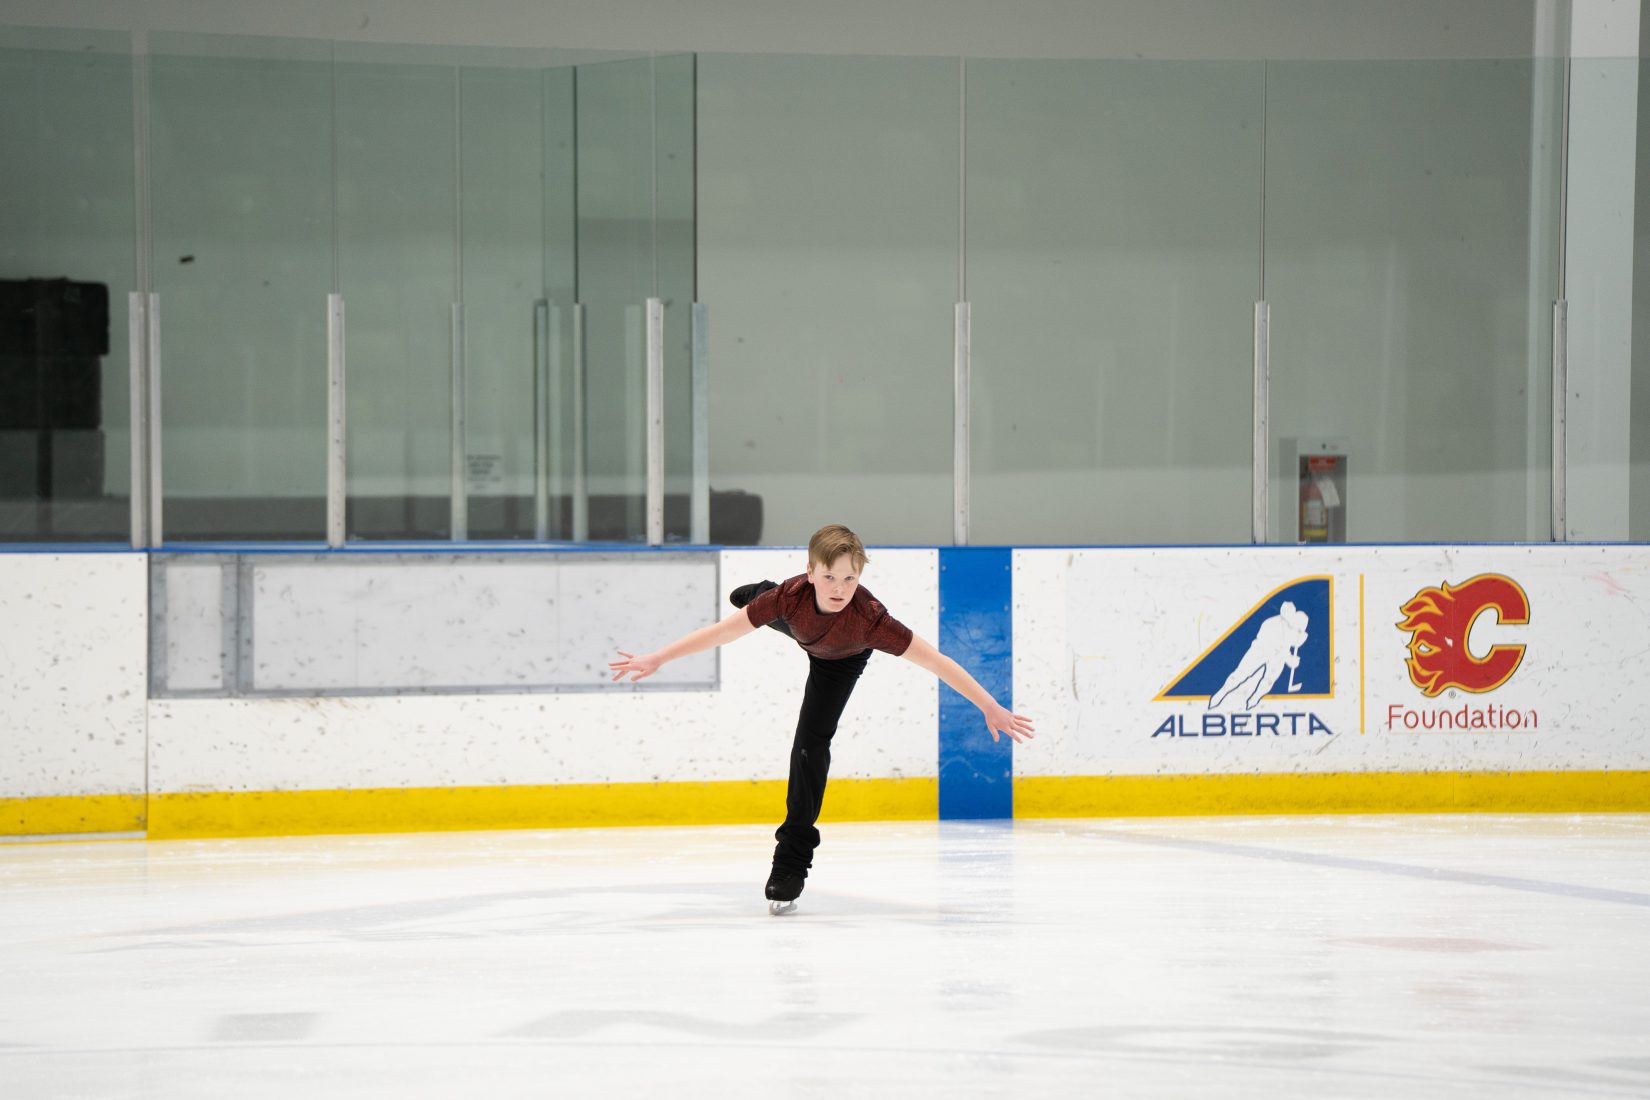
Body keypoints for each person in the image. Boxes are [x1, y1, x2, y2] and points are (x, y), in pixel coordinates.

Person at [609, 523, 1035, 915]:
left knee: (810, 747)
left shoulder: (871, 620)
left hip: (840, 661)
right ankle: (759, 593)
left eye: (850, 579)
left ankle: (790, 863)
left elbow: (937, 662)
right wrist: (660, 657)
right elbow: (723, 632)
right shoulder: (790, 597)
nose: (840, 588)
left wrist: (989, 706)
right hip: (797, 621)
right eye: (830, 577)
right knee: (772, 612)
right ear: (810, 572)